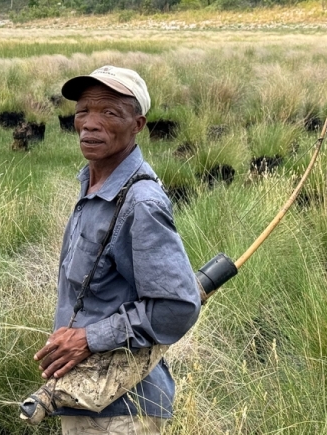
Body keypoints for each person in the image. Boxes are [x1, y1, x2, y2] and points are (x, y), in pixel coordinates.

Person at [33, 66, 201, 435]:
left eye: (109, 113)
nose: (91, 123)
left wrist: (89, 338)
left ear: (137, 124)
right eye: (83, 111)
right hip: (85, 397)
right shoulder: (93, 182)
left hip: (124, 413)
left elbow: (178, 307)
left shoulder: (140, 202)